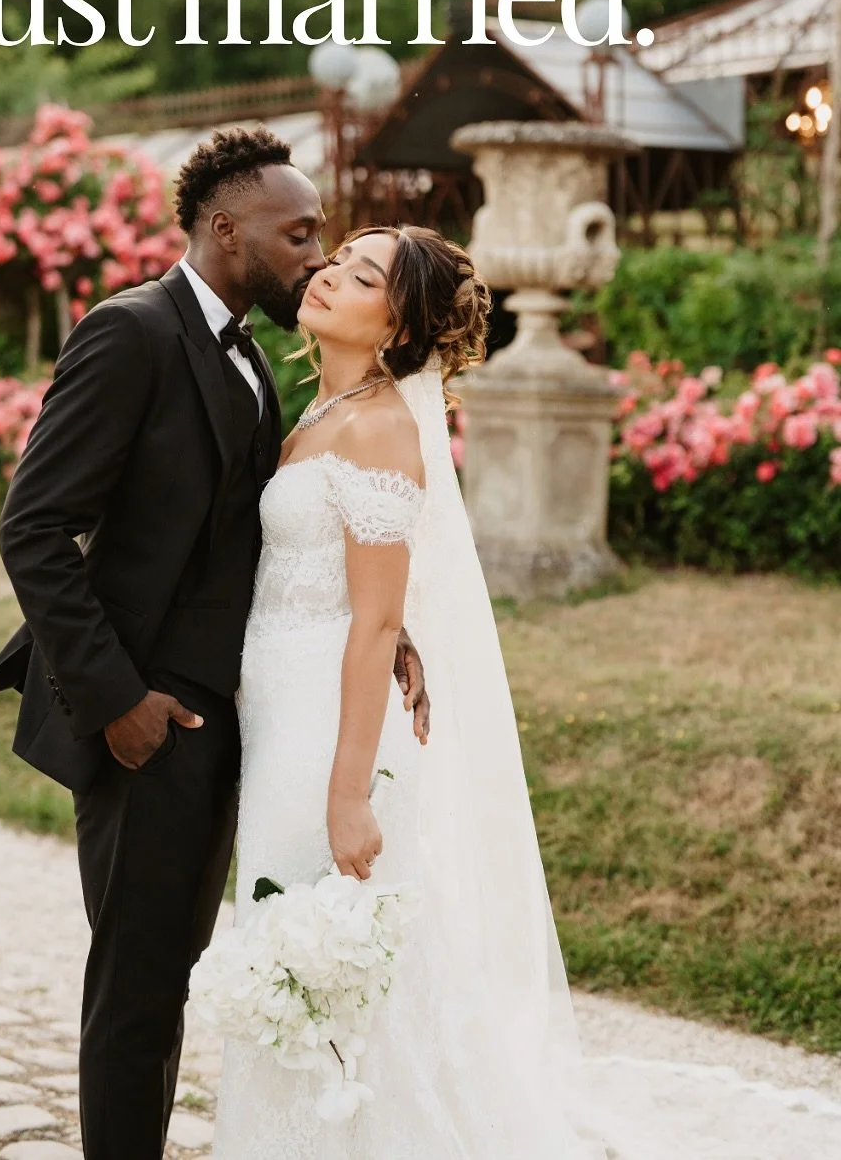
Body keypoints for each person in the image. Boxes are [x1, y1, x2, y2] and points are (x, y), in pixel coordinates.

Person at [0, 129, 428, 1160]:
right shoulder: (130, 332)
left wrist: (389, 632)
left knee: (172, 971)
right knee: (135, 989)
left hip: (232, 721)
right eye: (298, 234)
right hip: (144, 719)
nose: (316, 255)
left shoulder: (257, 356)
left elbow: (252, 541)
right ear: (226, 229)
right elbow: (33, 527)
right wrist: (116, 701)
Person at [212, 225, 606, 1159]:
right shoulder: (320, 407)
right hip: (277, 708)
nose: (326, 275)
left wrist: (348, 793)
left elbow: (375, 622)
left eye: (360, 276)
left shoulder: (382, 426)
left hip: (326, 728)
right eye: (336, 260)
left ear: (395, 327)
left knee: (318, 946)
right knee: (290, 943)